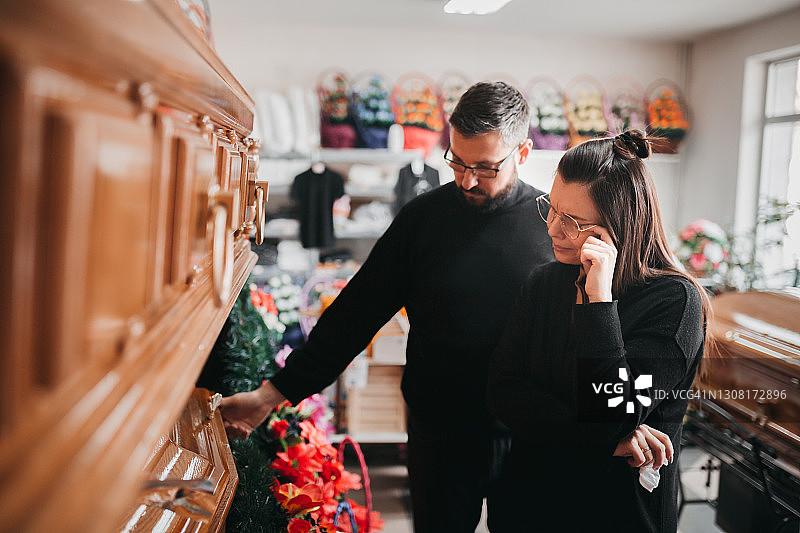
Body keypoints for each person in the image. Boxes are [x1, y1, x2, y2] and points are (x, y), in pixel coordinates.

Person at [221, 81, 556, 532]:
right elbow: (355, 313)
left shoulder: (554, 225)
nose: (467, 180)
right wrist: (274, 393)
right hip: (439, 434)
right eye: (456, 161)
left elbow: (587, 330)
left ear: (522, 153)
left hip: (529, 436)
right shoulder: (424, 220)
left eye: (485, 167)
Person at [486, 130, 712, 532]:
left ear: (619, 228)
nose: (553, 230)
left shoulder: (674, 301)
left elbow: (608, 414)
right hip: (527, 504)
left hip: (614, 513)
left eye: (572, 221)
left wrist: (599, 299)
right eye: (551, 209)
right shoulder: (543, 283)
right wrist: (606, 441)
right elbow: (504, 392)